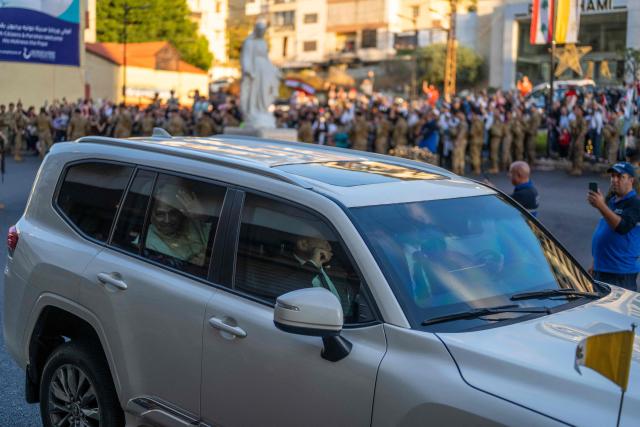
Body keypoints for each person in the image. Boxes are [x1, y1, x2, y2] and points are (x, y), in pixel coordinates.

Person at [588, 162, 640, 291]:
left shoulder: (635, 203)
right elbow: (605, 231)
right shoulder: (612, 201)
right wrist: (596, 262)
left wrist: (601, 206)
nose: (614, 180)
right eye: (612, 176)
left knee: (616, 310)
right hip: (602, 268)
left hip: (620, 273)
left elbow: (622, 227)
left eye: (620, 176)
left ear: (631, 180)